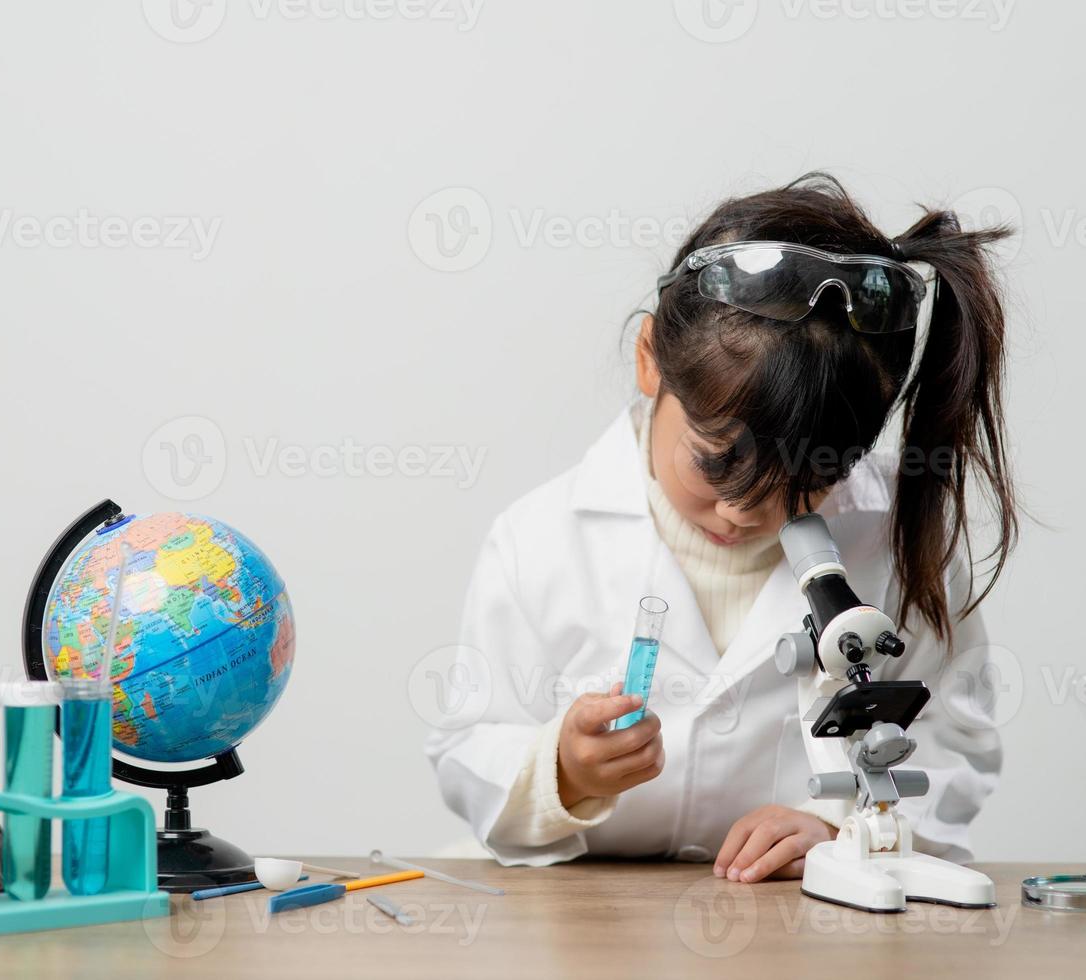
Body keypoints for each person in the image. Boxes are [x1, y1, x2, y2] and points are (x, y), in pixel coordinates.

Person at [426, 173, 1016, 883]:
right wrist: (563, 770)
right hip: (587, 927)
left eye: (805, 483)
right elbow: (466, 749)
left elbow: (955, 739)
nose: (745, 513)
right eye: (717, 464)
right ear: (649, 360)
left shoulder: (898, 536)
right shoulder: (538, 540)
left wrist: (844, 824)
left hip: (803, 927)